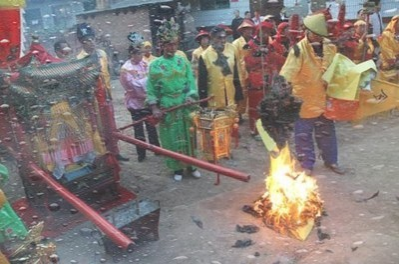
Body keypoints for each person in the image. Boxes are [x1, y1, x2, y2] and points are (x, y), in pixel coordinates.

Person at [279, 13, 345, 176]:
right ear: (307, 32)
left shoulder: (330, 46)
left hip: (324, 99)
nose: (318, 38)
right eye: (314, 34)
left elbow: (337, 67)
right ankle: (307, 164)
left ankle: (331, 161)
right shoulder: (298, 50)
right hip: (304, 100)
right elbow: (287, 73)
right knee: (303, 134)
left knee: (327, 132)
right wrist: (283, 93)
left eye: (320, 35)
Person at [147, 18, 201, 181]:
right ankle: (177, 168)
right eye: (169, 44)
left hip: (184, 105)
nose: (172, 48)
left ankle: (192, 166)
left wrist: (191, 96)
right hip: (168, 106)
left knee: (189, 135)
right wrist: (155, 107)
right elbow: (151, 88)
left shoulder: (182, 60)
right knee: (171, 138)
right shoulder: (155, 65)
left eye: (175, 44)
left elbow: (190, 79)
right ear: (162, 46)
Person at [76, 23, 129, 162]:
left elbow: (107, 73)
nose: (91, 42)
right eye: (87, 40)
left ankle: (115, 152)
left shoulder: (102, 54)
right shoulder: (79, 59)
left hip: (106, 94)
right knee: (99, 126)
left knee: (111, 124)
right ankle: (105, 153)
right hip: (93, 98)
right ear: (82, 42)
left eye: (92, 39)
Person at [120, 33, 160, 162]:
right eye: (138, 54)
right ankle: (141, 153)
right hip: (135, 104)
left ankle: (156, 149)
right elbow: (130, 87)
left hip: (147, 101)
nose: (141, 56)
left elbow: (151, 80)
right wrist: (144, 93)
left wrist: (150, 94)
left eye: (142, 53)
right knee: (138, 130)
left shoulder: (144, 64)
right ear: (132, 54)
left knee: (151, 126)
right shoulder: (126, 69)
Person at [245, 21, 286, 137]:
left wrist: (286, 58)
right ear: (258, 32)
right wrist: (258, 56)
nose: (266, 34)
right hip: (255, 80)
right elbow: (247, 63)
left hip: (268, 80)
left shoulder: (269, 46)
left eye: (268, 32)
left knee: (268, 106)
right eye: (264, 32)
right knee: (255, 106)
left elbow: (275, 59)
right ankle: (255, 130)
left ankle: (267, 128)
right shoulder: (250, 45)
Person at [197, 26, 243, 110]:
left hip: (231, 98)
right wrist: (203, 103)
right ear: (212, 38)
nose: (223, 40)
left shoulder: (232, 49)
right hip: (215, 99)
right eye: (219, 38)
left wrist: (239, 96)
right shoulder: (205, 56)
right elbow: (202, 82)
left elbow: (236, 75)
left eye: (224, 37)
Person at [232, 19, 255, 122]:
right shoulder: (236, 43)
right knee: (240, 95)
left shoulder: (253, 42)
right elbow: (234, 59)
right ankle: (238, 114)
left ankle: (245, 113)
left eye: (250, 30)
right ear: (242, 31)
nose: (249, 32)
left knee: (249, 94)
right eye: (247, 30)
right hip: (240, 72)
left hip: (252, 71)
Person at [377, 15, 399, 83]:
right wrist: (395, 61)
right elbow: (386, 50)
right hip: (388, 66)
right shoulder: (386, 35)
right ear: (395, 23)